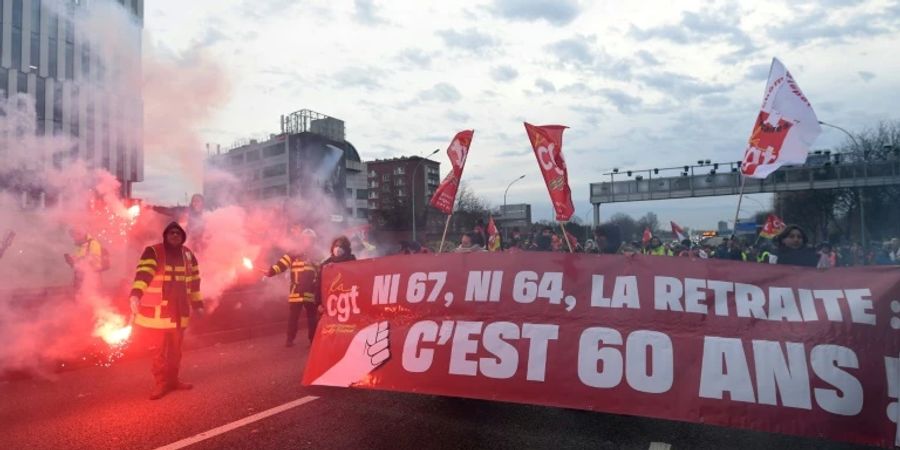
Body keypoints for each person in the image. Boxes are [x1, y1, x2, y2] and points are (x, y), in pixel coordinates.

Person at [129, 222, 203, 400]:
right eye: (171, 232)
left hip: (180, 312)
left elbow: (194, 282)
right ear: (165, 235)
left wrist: (198, 304)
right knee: (160, 350)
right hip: (159, 314)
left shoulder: (188, 254)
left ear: (183, 236)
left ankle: (174, 380)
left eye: (178, 233)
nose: (175, 235)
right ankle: (161, 382)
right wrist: (136, 294)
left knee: (176, 350)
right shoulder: (154, 252)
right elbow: (143, 274)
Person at [263, 227, 320, 347]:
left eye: (310, 239)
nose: (307, 241)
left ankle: (313, 340)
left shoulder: (316, 254)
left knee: (312, 318)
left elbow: (324, 268)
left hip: (311, 292)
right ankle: (289, 339)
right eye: (305, 239)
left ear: (313, 241)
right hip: (296, 292)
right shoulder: (293, 252)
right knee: (293, 318)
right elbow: (281, 265)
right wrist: (271, 272)